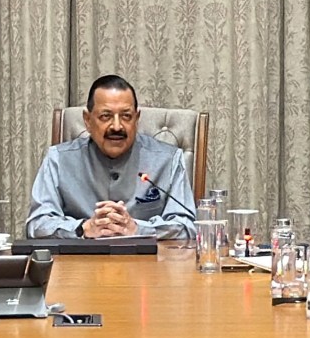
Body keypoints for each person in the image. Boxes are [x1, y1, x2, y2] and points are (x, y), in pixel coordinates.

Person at [26, 75, 195, 239]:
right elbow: (37, 225)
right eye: (106, 116)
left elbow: (187, 226)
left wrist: (138, 229)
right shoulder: (59, 159)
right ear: (87, 120)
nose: (116, 126)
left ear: (137, 119)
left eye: (126, 116)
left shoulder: (168, 160)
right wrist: (83, 228)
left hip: (147, 264)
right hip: (80, 264)